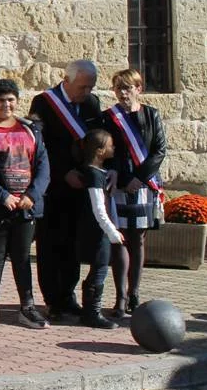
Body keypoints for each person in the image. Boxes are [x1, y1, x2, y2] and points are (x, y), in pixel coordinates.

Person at [0, 78, 51, 330]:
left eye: (11, 99)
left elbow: (43, 166)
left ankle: (27, 306)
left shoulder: (30, 129)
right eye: (1, 100)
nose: (6, 104)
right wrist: (2, 195)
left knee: (22, 257)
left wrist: (32, 195)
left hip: (25, 206)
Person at [28, 59, 103, 320]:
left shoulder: (92, 104)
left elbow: (96, 142)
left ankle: (68, 296)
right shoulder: (44, 103)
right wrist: (63, 172)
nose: (86, 93)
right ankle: (52, 300)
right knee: (50, 244)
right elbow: (41, 145)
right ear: (67, 80)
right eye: (82, 87)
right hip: (54, 185)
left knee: (73, 244)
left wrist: (86, 172)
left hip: (79, 186)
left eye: (90, 87)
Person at [102, 68, 166, 318]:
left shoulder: (151, 115)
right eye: (118, 88)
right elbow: (105, 149)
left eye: (127, 88)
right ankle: (120, 296)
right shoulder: (109, 117)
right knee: (119, 239)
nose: (123, 93)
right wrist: (114, 171)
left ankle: (135, 293)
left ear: (138, 89)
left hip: (143, 184)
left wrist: (139, 179)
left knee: (137, 239)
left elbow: (159, 150)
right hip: (118, 183)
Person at [76, 129, 124, 329]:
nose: (113, 148)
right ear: (99, 150)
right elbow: (99, 209)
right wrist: (112, 232)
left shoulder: (98, 172)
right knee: (100, 268)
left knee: (99, 269)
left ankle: (89, 310)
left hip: (99, 230)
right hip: (97, 231)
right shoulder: (93, 175)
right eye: (110, 145)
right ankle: (92, 312)